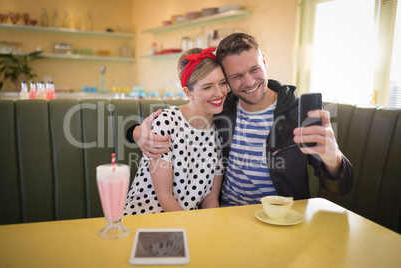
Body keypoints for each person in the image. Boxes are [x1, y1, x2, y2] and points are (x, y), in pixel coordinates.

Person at [127, 33, 354, 206]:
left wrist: (332, 156)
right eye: (236, 76)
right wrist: (136, 131)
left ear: (264, 61)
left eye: (254, 69)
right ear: (226, 80)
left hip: (282, 217)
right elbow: (178, 116)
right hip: (226, 217)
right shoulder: (222, 108)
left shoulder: (299, 113)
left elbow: (341, 186)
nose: (249, 82)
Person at [124, 47, 227, 215]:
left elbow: (210, 199)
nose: (219, 92)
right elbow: (165, 197)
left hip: (186, 222)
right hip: (145, 219)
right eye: (207, 87)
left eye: (222, 83)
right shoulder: (167, 122)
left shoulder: (220, 132)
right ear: (188, 92)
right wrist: (191, 231)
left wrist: (212, 232)